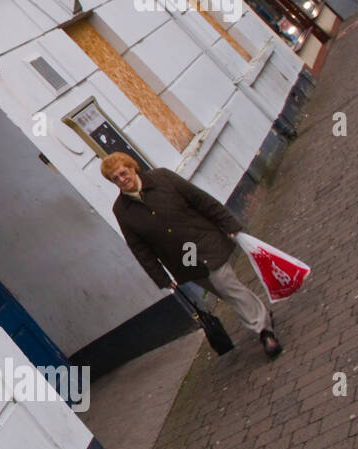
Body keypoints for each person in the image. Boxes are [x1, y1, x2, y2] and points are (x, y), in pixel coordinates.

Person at [100, 152, 281, 357]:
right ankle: (261, 314)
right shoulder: (122, 210)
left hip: (204, 243)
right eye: (115, 178)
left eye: (124, 173)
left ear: (133, 168)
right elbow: (139, 248)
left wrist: (230, 224)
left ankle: (264, 331)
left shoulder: (163, 178)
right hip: (183, 260)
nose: (122, 179)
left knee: (227, 285)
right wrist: (161, 277)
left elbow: (201, 200)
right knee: (227, 292)